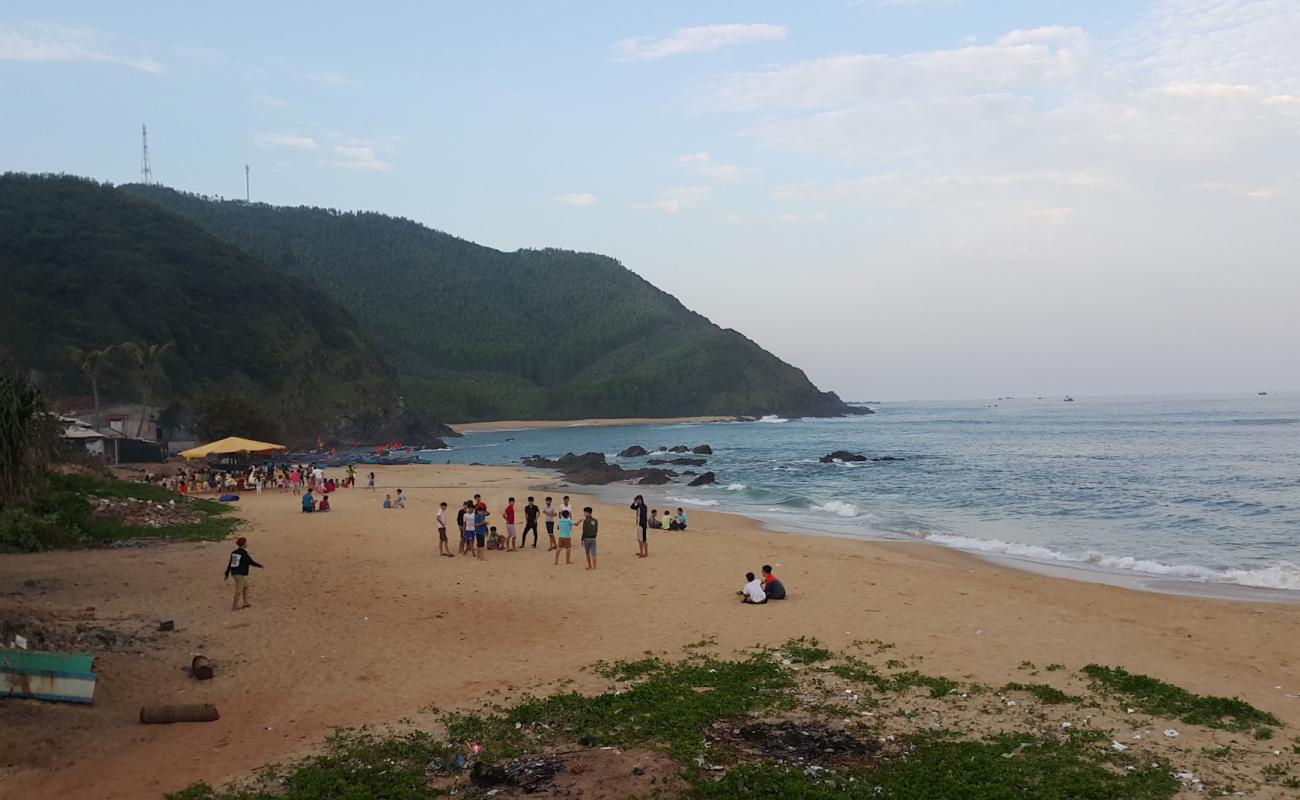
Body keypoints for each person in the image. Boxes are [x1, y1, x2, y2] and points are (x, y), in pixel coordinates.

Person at [224, 536, 263, 611]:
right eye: (246, 542)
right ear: (244, 544)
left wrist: (227, 573)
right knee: (238, 590)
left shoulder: (234, 552)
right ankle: (234, 607)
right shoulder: (244, 553)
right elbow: (250, 562)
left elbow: (231, 564)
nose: (246, 544)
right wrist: (260, 566)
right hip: (239, 574)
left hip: (235, 573)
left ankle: (245, 602)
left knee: (246, 586)